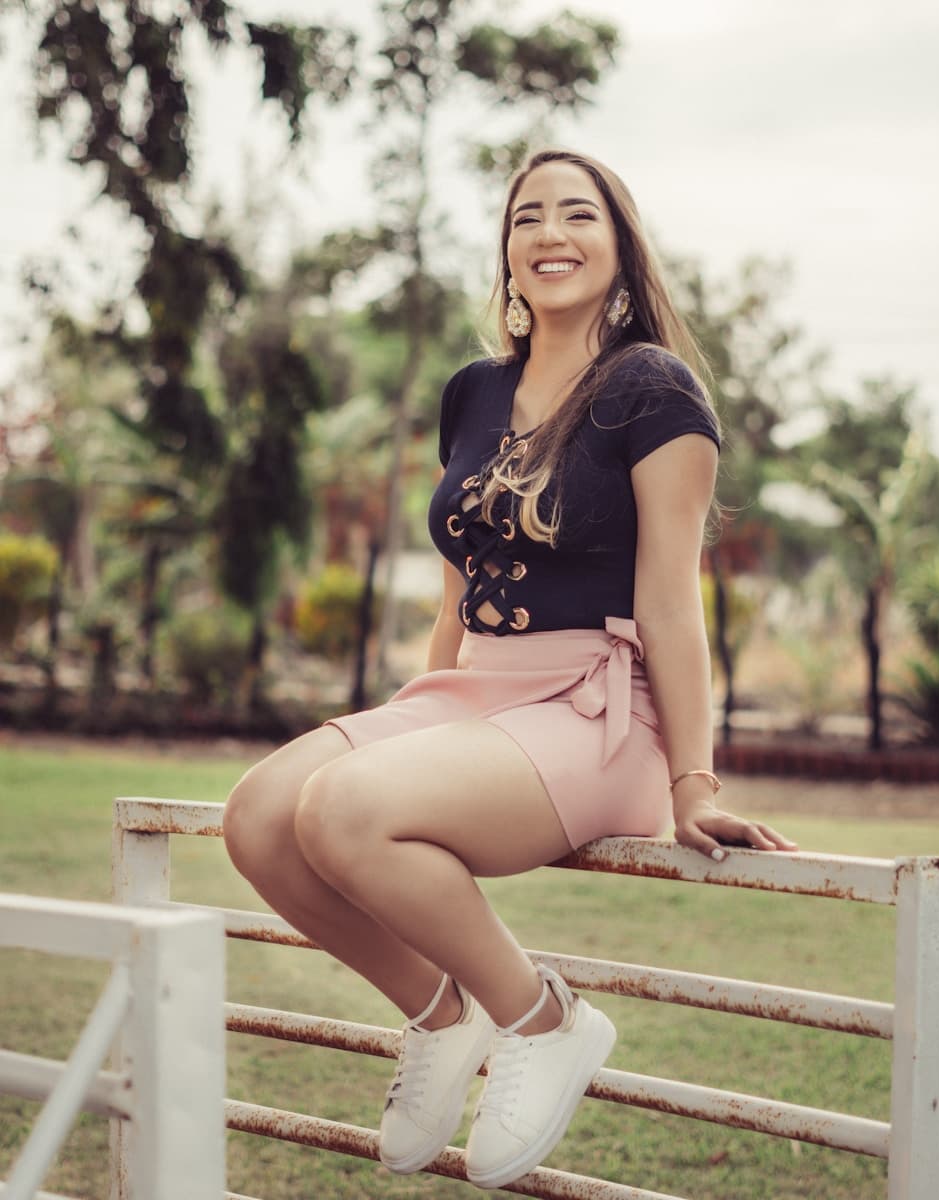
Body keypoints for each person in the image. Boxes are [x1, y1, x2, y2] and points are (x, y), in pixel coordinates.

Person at [223, 147, 798, 1190]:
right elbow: (458, 589)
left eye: (578, 214)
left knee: (346, 810)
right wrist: (416, 716)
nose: (549, 234)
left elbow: (673, 604)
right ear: (506, 251)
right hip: (475, 692)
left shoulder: (652, 390)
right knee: (260, 816)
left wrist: (693, 784)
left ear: (620, 248)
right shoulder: (473, 392)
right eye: (527, 217)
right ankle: (442, 1015)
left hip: (597, 709)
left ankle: (543, 1020)